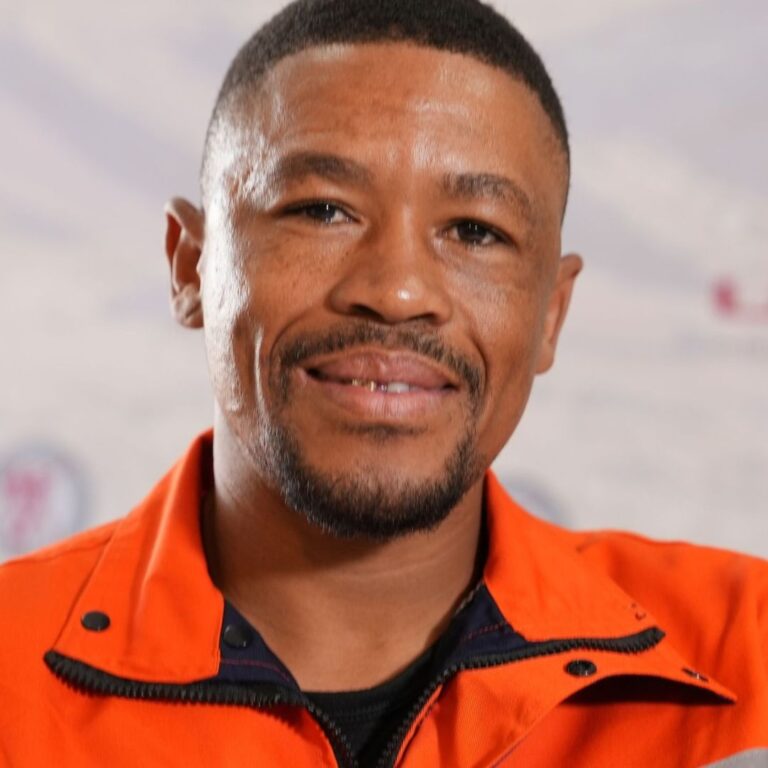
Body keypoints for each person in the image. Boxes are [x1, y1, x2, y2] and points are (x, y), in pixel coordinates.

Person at [1, 0, 766, 765]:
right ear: (190, 267)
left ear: (551, 315)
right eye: (322, 211)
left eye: (475, 231)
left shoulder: (748, 652)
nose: (398, 292)